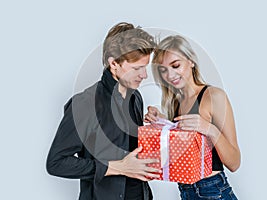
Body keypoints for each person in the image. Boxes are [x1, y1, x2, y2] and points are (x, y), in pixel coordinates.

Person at [46, 22, 161, 200]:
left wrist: (157, 127)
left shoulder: (136, 98)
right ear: (114, 63)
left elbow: (132, 153)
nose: (144, 75)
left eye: (145, 67)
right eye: (137, 68)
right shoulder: (84, 104)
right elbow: (56, 163)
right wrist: (116, 167)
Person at [144, 35, 241, 200]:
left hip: (213, 191)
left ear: (191, 61)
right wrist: (161, 121)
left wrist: (209, 129)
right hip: (186, 191)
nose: (170, 75)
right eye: (163, 70)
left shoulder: (213, 96)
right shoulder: (175, 102)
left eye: (176, 65)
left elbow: (234, 163)